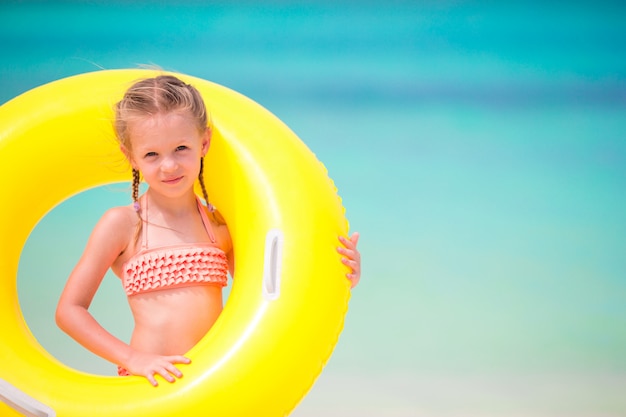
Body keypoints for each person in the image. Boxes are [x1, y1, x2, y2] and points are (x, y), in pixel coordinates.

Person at [55, 74, 361, 387]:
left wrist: (340, 274)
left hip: (215, 384)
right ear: (130, 156)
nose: (170, 166)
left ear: (204, 143)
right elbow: (70, 310)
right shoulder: (123, 225)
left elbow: (274, 297)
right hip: (149, 386)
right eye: (152, 155)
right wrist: (132, 358)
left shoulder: (220, 228)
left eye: (181, 148)